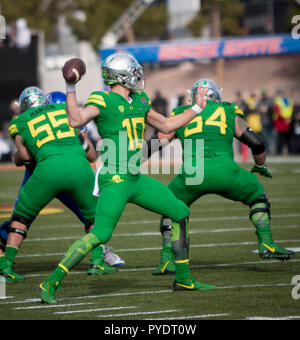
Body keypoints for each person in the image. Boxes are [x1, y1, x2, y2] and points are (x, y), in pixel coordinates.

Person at [39, 52, 215, 304]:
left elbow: (166, 126)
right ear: (121, 75)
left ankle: (184, 278)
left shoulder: (140, 100)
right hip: (116, 178)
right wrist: (70, 87)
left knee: (179, 211)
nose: (138, 76)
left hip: (135, 177)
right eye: (133, 72)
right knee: (101, 234)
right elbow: (75, 119)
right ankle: (50, 282)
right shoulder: (102, 99)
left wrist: (198, 108)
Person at [151, 79, 295, 276]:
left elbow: (158, 142)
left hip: (192, 173)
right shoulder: (227, 110)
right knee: (257, 195)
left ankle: (167, 260)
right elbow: (257, 143)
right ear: (217, 95)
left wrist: (132, 160)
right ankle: (266, 242)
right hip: (225, 170)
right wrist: (260, 165)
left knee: (168, 207)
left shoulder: (180, 113)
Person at [0, 87, 117, 283]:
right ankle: (97, 262)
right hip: (78, 168)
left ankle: (6, 266)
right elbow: (90, 153)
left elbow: (25, 159)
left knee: (21, 218)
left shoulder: (19, 121)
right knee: (94, 218)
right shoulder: (63, 112)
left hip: (44, 171)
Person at [274, 90, 294, 154]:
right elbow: (278, 111)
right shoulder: (286, 101)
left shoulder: (287, 101)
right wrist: (288, 119)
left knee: (286, 138)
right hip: (283, 121)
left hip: (285, 122)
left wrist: (288, 119)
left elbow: (292, 110)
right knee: (282, 138)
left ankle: (287, 151)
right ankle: (281, 151)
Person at [256, 90, 275, 154]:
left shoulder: (270, 100)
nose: (263, 95)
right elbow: (259, 109)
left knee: (272, 137)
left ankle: (273, 150)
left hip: (271, 121)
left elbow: (271, 108)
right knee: (265, 137)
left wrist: (266, 108)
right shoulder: (260, 101)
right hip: (263, 122)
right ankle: (268, 150)